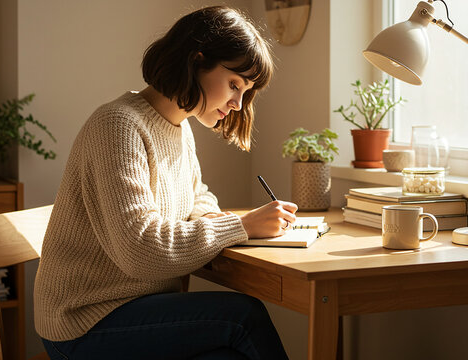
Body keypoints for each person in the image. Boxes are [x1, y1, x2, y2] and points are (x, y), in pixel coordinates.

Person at [34, 5, 297, 360]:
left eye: (245, 91)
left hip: (141, 307)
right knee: (242, 318)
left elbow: (194, 195)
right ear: (196, 60)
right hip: (85, 321)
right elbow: (140, 249)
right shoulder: (118, 125)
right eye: (235, 84)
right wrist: (240, 226)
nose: (237, 104)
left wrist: (211, 218)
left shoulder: (179, 128)